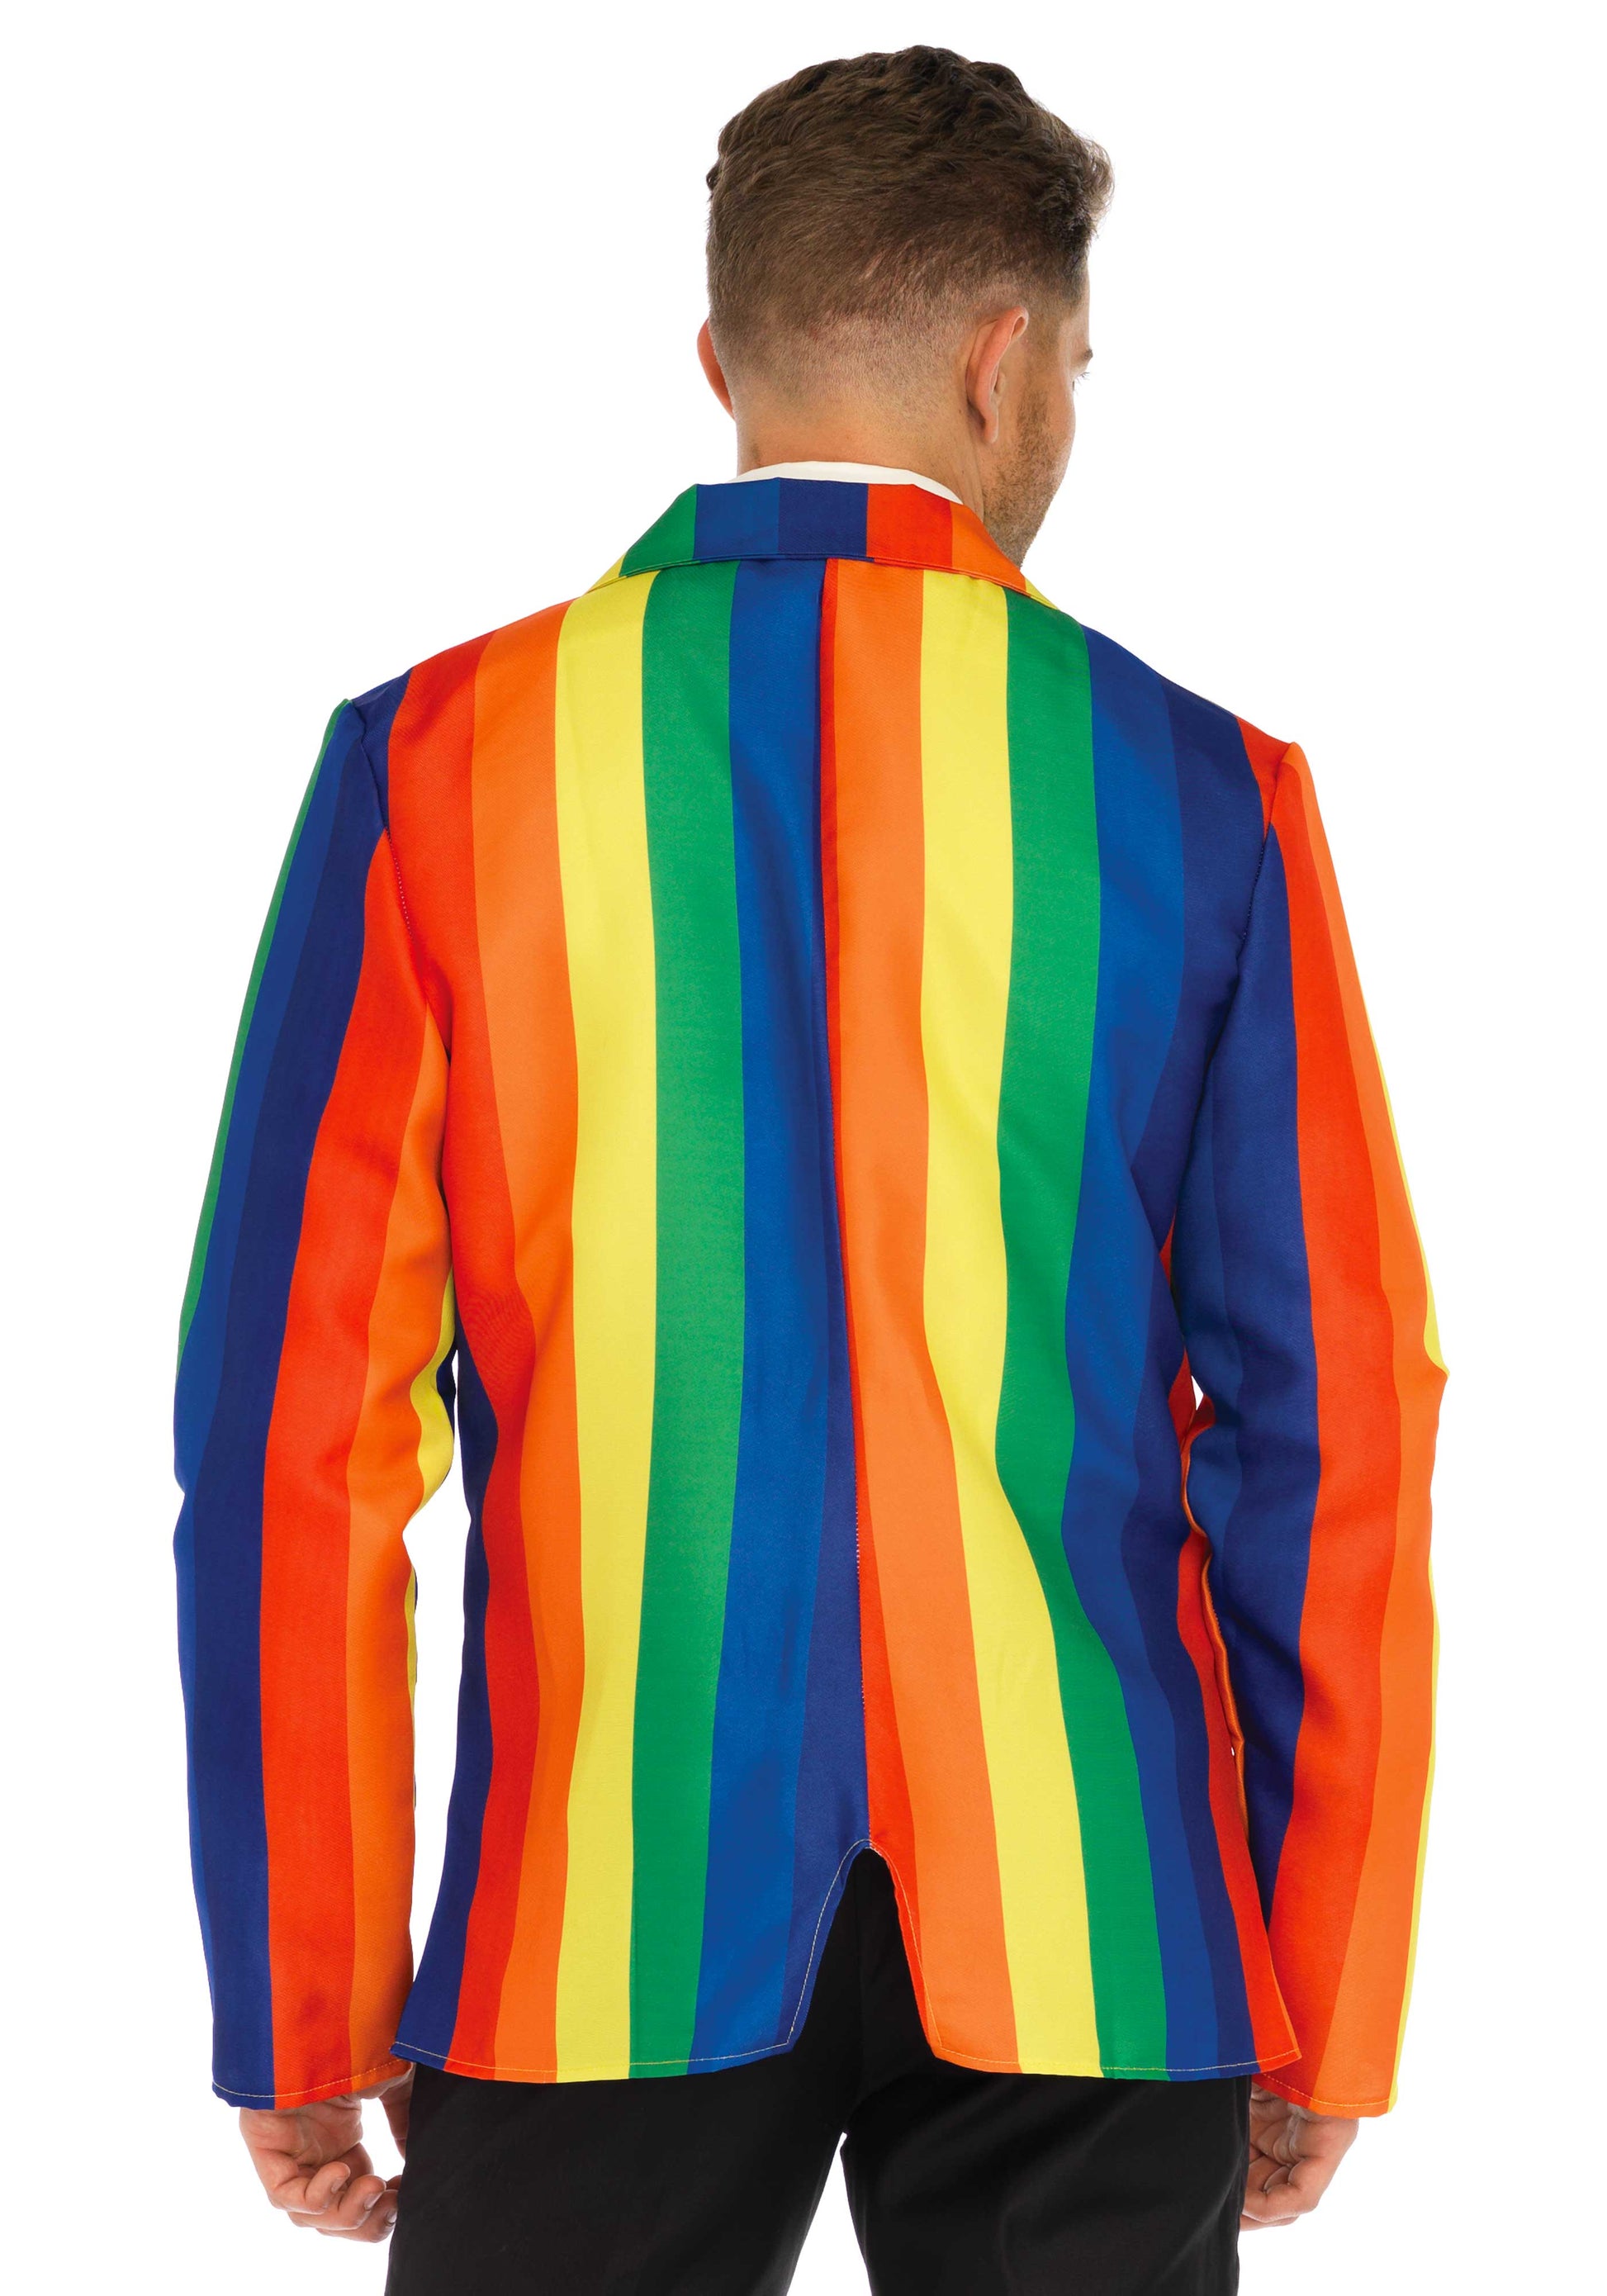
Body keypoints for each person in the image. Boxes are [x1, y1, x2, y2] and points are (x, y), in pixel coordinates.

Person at [173, 45, 1444, 2295]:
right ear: (1005, 361)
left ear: (719, 363)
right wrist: (1323, 1983)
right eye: (1077, 372)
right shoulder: (1203, 792)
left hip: (597, 1918)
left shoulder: (436, 766)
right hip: (1094, 1933)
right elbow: (1334, 1430)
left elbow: (290, 1432)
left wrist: (300, 1985)